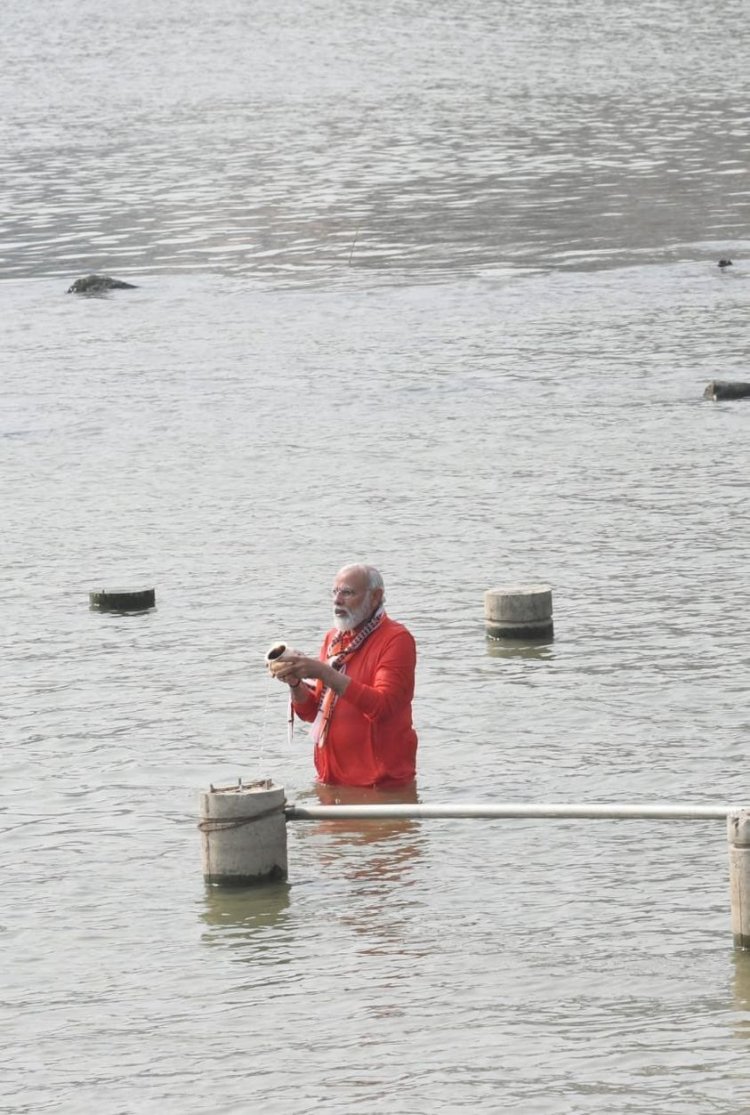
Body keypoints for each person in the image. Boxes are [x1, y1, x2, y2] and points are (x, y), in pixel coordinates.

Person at [268, 563, 418, 787]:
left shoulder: (396, 639)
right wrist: (295, 682)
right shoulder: (333, 639)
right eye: (335, 592)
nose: (337, 600)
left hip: (380, 787)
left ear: (375, 597)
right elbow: (312, 712)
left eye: (347, 592)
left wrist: (323, 672)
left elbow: (383, 707)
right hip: (330, 782)